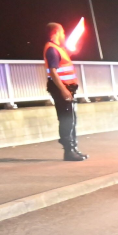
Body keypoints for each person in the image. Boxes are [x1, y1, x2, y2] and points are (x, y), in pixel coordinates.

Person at [43, 23, 86, 161]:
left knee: (71, 119)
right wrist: (64, 90)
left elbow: (63, 64)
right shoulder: (52, 49)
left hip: (67, 88)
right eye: (62, 32)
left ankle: (73, 149)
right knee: (66, 119)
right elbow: (53, 72)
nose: (64, 35)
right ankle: (69, 151)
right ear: (56, 32)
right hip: (62, 89)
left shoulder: (57, 49)